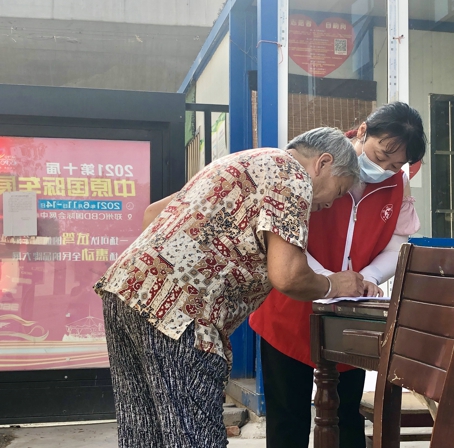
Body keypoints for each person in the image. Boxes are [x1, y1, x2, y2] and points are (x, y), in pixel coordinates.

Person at [93, 127, 366, 448]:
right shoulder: (293, 175)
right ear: (323, 163)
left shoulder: (242, 161)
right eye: (338, 190)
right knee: (195, 437)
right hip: (181, 313)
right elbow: (288, 275)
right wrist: (335, 283)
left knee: (144, 431)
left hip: (127, 290)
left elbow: (153, 213)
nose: (331, 204)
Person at [249, 102, 427, 448]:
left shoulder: (397, 185)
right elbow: (281, 237)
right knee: (288, 419)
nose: (385, 169)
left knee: (346, 417)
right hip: (291, 303)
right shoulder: (318, 162)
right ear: (362, 131)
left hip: (349, 312)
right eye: (381, 155)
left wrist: (365, 278)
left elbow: (397, 243)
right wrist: (329, 281)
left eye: (396, 165)